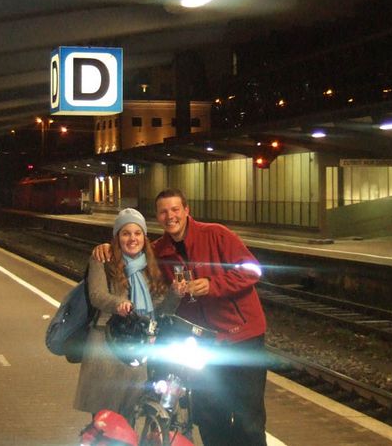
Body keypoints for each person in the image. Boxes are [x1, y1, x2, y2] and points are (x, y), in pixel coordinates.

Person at [93, 189, 268, 446]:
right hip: (201, 343)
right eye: (163, 211)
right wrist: (108, 246)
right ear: (158, 216)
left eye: (175, 209)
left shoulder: (216, 234)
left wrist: (212, 284)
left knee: (248, 418)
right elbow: (131, 254)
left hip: (241, 336)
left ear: (187, 210)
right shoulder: (159, 251)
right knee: (209, 417)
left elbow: (253, 269)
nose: (170, 216)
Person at [75, 208, 177, 422]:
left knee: (130, 413)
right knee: (104, 418)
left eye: (137, 233)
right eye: (126, 233)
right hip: (106, 341)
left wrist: (175, 294)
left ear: (144, 236)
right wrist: (118, 303)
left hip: (137, 344)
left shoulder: (149, 264)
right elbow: (96, 294)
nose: (132, 239)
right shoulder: (102, 259)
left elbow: (159, 307)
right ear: (117, 237)